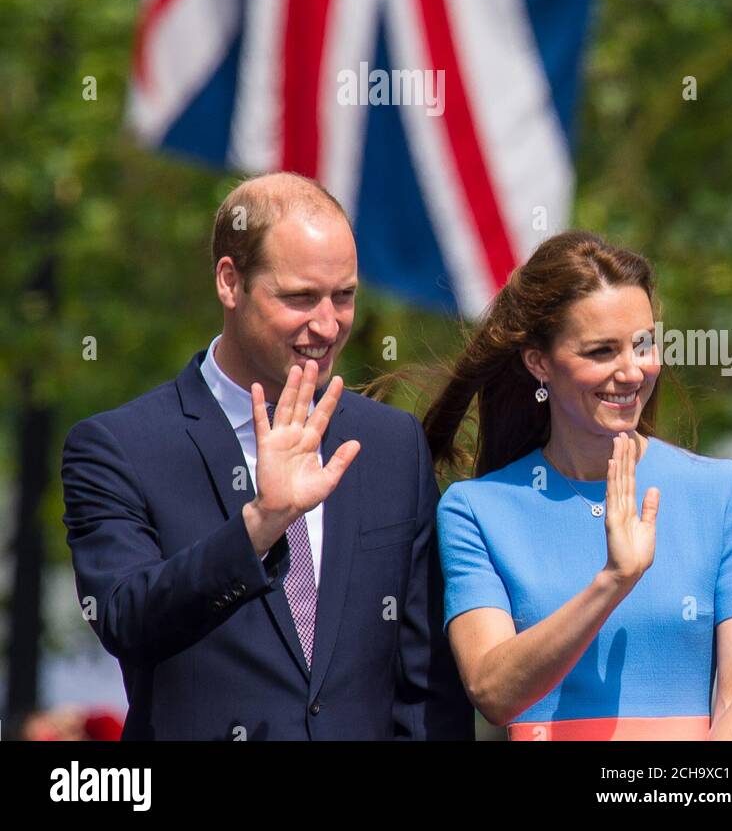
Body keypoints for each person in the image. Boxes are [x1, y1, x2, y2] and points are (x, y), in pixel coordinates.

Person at [62, 172, 473, 741]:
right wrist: (258, 525)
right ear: (230, 283)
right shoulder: (120, 447)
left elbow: (427, 685)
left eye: (345, 296)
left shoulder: (391, 445)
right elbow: (124, 619)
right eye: (300, 297)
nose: (327, 325)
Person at [433, 230, 732, 741]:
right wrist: (613, 582)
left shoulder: (725, 493)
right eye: (601, 351)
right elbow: (494, 692)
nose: (631, 371)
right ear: (539, 363)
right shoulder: (475, 509)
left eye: (643, 345)